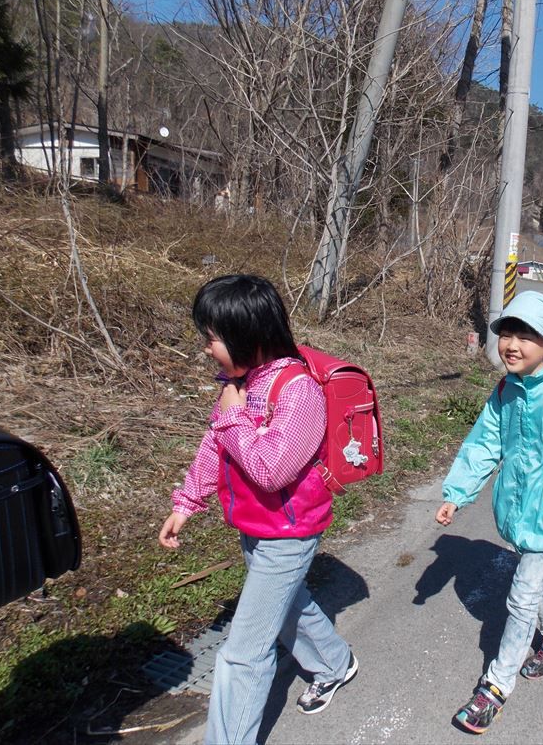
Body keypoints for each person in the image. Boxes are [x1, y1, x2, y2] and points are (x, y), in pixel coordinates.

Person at [158, 275, 358, 745]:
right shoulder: (241, 382)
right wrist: (187, 502)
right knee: (287, 602)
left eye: (213, 339)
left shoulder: (298, 391)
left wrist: (231, 412)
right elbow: (217, 446)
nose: (206, 349)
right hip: (255, 525)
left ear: (250, 335)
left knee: (243, 653)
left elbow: (271, 470)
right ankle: (333, 663)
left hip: (289, 533)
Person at [436, 290, 543, 735]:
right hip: (516, 508)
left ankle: (495, 687)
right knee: (537, 580)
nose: (511, 344)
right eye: (506, 334)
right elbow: (485, 444)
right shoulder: (505, 390)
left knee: (522, 594)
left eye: (524, 336)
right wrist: (458, 493)